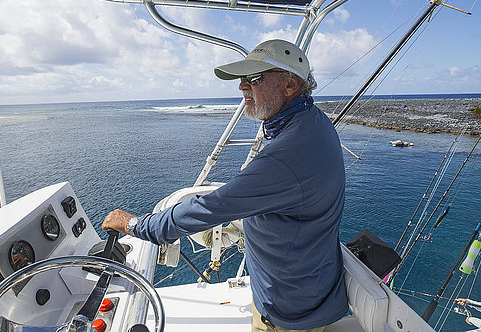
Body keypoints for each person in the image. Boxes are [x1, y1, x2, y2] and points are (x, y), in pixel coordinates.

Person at [103, 39, 348, 331]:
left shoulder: (287, 156)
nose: (242, 86)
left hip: (288, 310)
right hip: (310, 287)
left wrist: (135, 225)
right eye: (242, 78)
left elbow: (209, 207)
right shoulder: (313, 121)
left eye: (254, 78)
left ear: (291, 84)